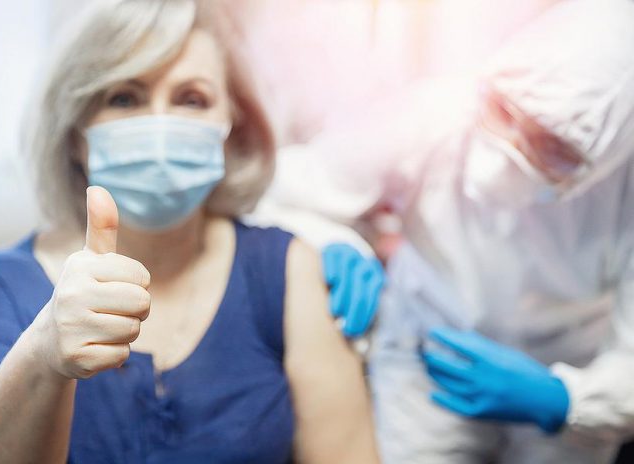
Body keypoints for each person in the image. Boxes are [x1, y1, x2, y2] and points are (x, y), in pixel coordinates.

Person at [0, 1, 380, 463]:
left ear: (232, 128)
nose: (161, 125)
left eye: (192, 99)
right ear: (74, 133)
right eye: (125, 97)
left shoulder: (288, 273)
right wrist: (42, 356)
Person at [252, 0, 634, 462]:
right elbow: (284, 191)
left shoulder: (625, 185)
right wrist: (331, 240)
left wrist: (568, 400)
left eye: (552, 146)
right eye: (504, 110)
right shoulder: (438, 110)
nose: (506, 151)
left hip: (572, 370)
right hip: (427, 355)